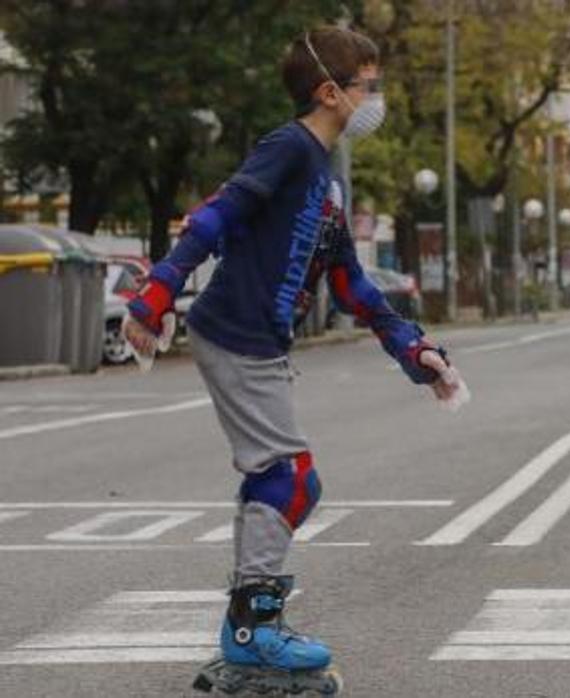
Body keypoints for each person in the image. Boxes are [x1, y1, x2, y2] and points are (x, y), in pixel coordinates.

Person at [124, 25, 463, 690]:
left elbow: (352, 286)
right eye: (370, 85)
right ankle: (252, 634)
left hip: (259, 339)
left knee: (272, 480)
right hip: (237, 332)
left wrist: (414, 350)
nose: (378, 99)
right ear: (331, 92)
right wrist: (155, 294)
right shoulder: (290, 149)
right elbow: (216, 215)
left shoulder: (327, 181)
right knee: (289, 481)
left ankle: (248, 628)